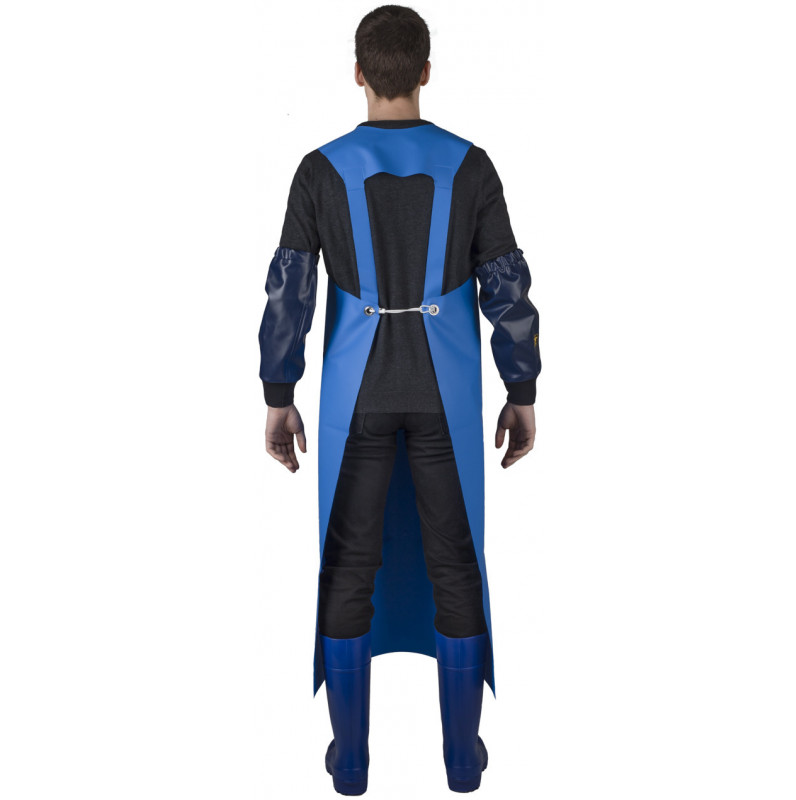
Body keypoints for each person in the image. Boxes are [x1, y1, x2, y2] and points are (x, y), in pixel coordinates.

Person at [258, 5, 541, 794]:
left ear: (358, 73)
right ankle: (462, 758)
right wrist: (521, 388)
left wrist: (279, 393)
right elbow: (507, 285)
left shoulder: (320, 170)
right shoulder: (470, 166)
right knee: (456, 560)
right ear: (425, 72)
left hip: (358, 395)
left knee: (350, 563)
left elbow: (289, 290)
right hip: (444, 392)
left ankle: (350, 761)